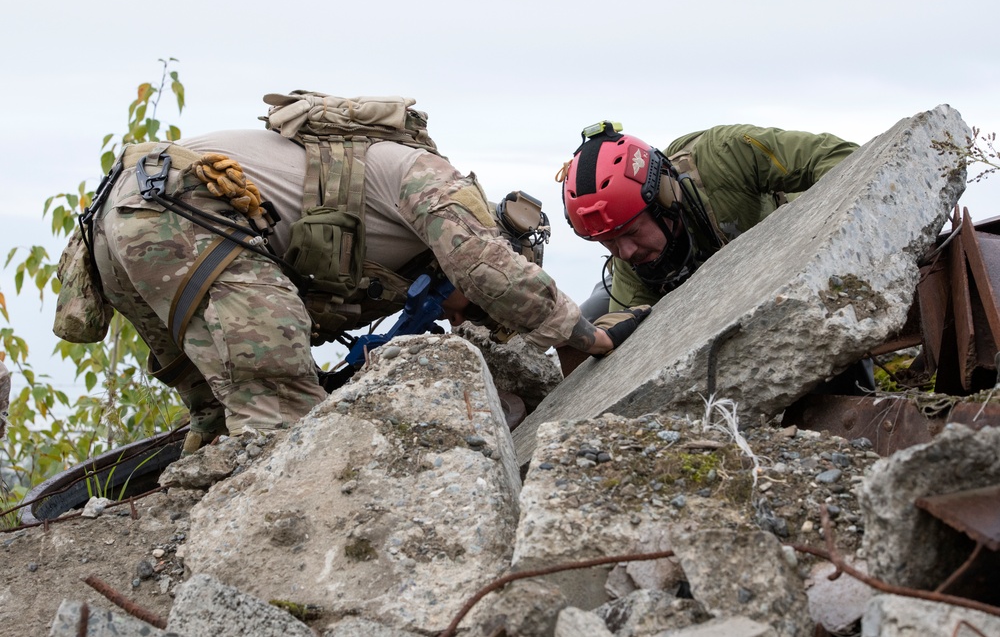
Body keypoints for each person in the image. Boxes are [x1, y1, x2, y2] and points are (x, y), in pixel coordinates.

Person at [81, 119, 649, 453]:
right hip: (183, 209)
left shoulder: (381, 242)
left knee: (220, 418)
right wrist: (582, 335)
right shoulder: (434, 183)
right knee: (288, 434)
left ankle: (183, 500)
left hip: (119, 223)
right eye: (473, 312)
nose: (464, 322)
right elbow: (484, 266)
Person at [557, 120, 875, 393]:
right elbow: (629, 365)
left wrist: (818, 241)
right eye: (608, 243)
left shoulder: (724, 154)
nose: (624, 253)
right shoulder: (632, 267)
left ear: (663, 198)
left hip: (799, 258)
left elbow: (842, 158)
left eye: (631, 232)